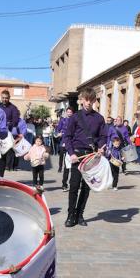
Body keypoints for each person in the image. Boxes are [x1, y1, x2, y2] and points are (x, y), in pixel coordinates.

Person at [62, 88, 107, 227]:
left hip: (91, 156)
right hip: (77, 154)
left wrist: (101, 147)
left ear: (94, 101)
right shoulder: (75, 117)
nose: (88, 103)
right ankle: (70, 215)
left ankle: (80, 215)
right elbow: (67, 137)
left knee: (86, 187)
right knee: (74, 186)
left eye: (91, 100)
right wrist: (71, 153)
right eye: (86, 100)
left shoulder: (99, 118)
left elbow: (103, 136)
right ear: (81, 100)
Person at [0, 89, 23, 171]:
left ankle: (8, 165)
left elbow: (15, 120)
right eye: (3, 98)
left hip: (9, 132)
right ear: (1, 97)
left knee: (9, 150)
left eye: (6, 98)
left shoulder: (13, 108)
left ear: (9, 98)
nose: (4, 99)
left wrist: (8, 125)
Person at [58, 107, 73, 191]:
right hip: (64, 143)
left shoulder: (74, 120)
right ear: (66, 112)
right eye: (68, 112)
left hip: (72, 145)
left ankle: (73, 183)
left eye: (71, 112)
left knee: (73, 167)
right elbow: (58, 129)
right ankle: (64, 184)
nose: (69, 113)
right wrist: (59, 133)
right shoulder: (63, 120)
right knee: (66, 165)